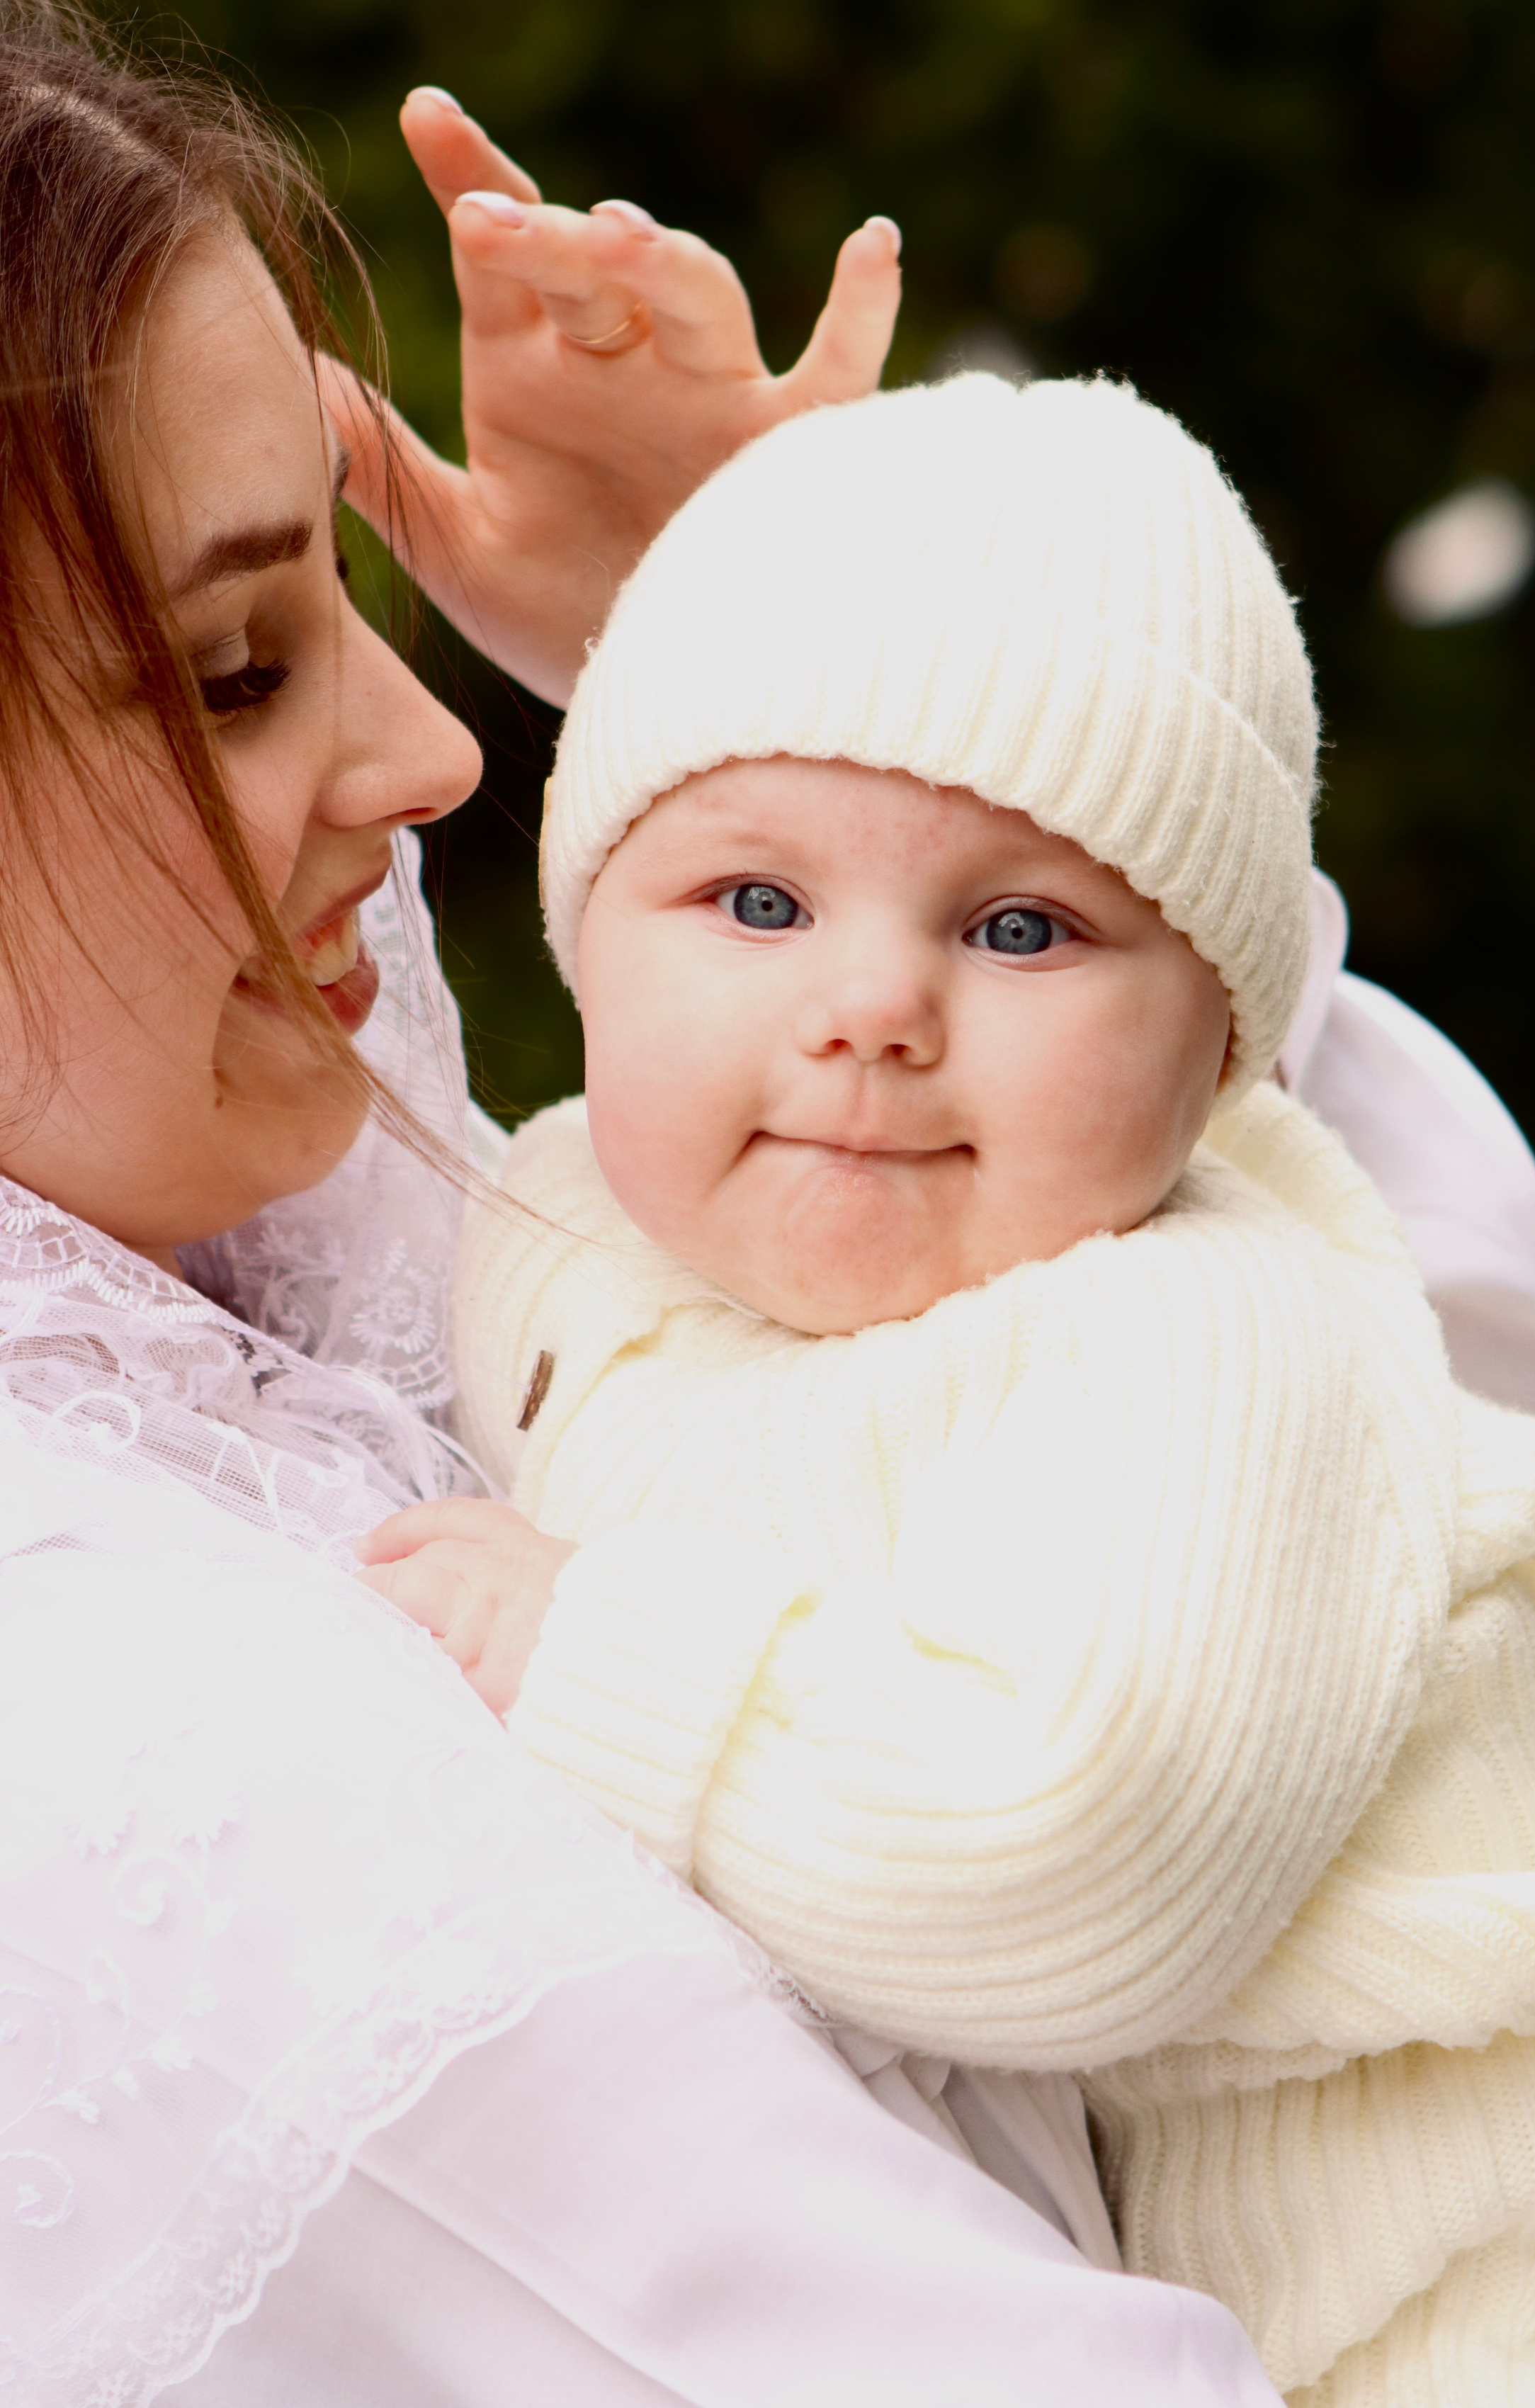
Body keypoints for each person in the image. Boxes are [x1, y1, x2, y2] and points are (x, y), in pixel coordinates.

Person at [0, 16, 1291, 2402]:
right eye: (234, 666)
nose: (436, 748)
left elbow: (1434, 1473)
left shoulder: (349, 1299)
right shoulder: (135, 1735)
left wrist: (830, 759)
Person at [373, 373, 1535, 2404]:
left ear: (1221, 1045)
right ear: (585, 934)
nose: (871, 1010)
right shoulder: (553, 1221)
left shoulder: (1204, 1337)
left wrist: (584, 1646)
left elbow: (1071, 1869)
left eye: (1024, 927)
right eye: (756, 903)